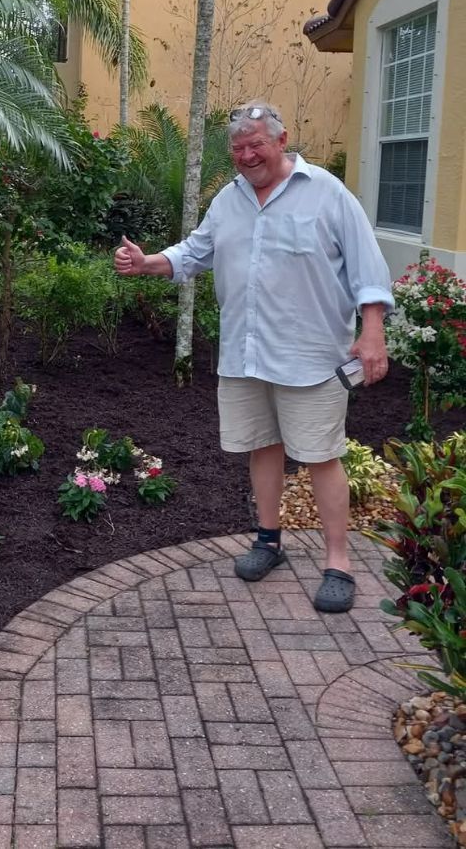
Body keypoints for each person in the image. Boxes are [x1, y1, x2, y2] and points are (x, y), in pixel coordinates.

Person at [114, 101, 392, 613]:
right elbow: (196, 252)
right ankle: (268, 540)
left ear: (281, 140)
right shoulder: (229, 199)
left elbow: (367, 267)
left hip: (310, 356)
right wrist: (146, 261)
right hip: (246, 352)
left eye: (256, 144)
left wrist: (371, 331)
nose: (246, 155)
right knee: (262, 446)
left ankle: (338, 563)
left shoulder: (328, 194)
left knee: (321, 456)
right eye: (238, 148)